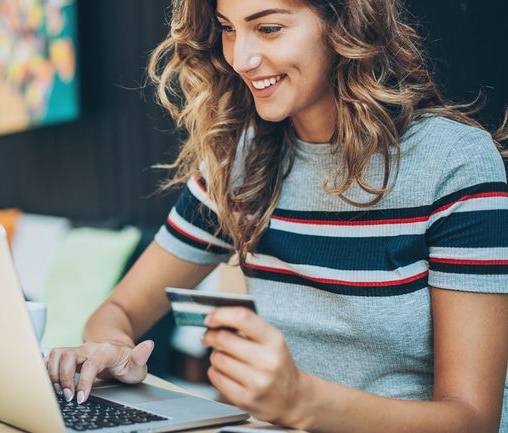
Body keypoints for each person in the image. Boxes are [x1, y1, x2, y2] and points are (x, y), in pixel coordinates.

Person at [46, 0, 508, 431]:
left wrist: (303, 401)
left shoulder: (454, 162)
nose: (241, 58)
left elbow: (473, 419)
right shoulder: (238, 165)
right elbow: (119, 310)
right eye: (228, 29)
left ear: (344, 24)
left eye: (268, 28)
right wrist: (114, 349)